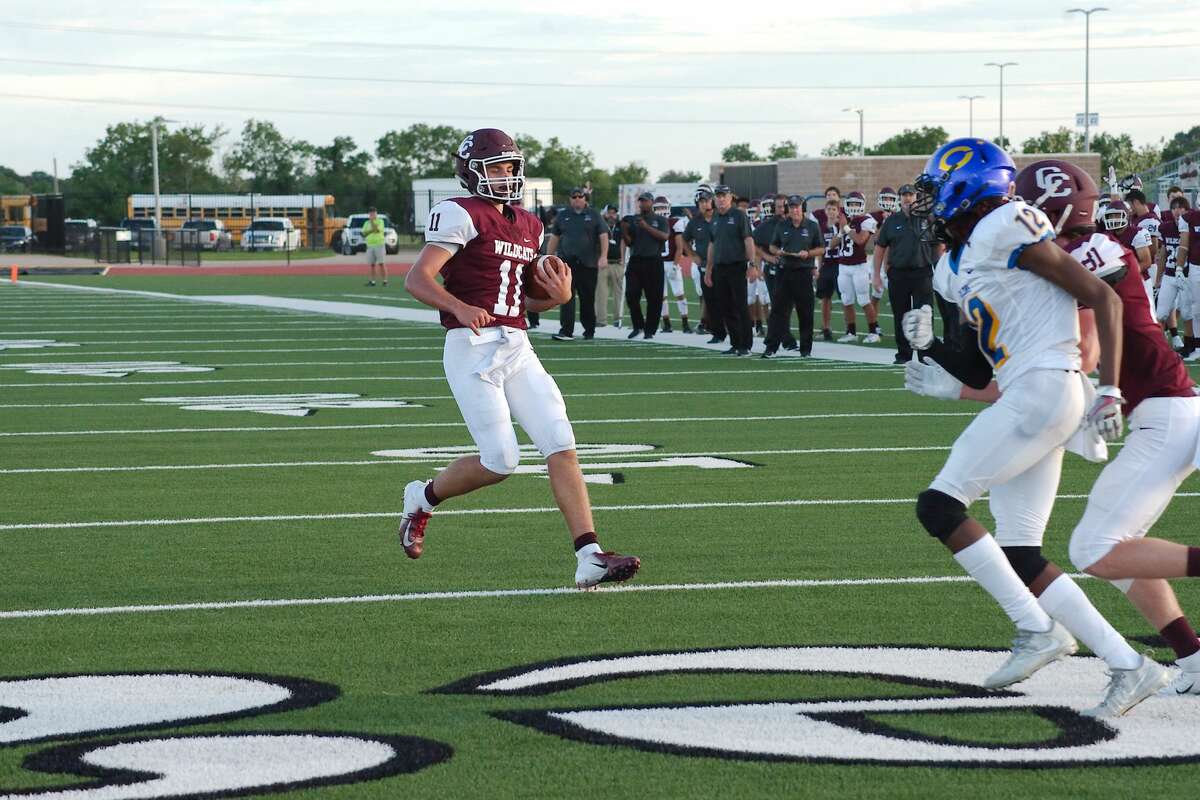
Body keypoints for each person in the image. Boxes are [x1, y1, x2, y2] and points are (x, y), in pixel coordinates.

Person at [901, 139, 1134, 703]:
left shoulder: (1008, 222)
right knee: (1022, 552)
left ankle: (1035, 630)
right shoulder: (956, 261)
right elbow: (981, 360)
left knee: (939, 505)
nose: (927, 203)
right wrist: (934, 350)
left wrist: (1111, 390)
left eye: (935, 189)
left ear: (969, 185)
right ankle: (1130, 664)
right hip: (1032, 390)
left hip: (1046, 387)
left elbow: (1104, 298)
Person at [399, 128, 640, 590]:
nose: (507, 175)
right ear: (473, 173)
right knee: (501, 461)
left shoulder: (529, 224)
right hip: (471, 348)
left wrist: (558, 298)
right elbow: (417, 278)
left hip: (516, 344)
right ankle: (422, 498)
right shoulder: (459, 213)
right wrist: (457, 305)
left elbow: (521, 299)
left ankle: (589, 555)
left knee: (560, 440)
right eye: (497, 167)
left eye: (512, 166)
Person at [874, 184, 936, 363]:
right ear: (899, 199)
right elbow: (880, 247)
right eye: (904, 195)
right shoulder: (892, 221)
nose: (907, 198)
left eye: (910, 195)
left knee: (923, 316)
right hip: (898, 274)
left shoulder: (927, 218)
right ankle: (903, 354)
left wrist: (939, 269)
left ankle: (926, 355)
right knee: (901, 315)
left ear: (916, 197)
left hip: (922, 272)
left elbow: (938, 244)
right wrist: (876, 275)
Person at [764, 195, 823, 357]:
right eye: (791, 207)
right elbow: (772, 246)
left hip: (804, 272)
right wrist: (778, 252)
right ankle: (771, 347)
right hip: (784, 271)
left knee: (805, 313)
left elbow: (821, 249)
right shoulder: (782, 225)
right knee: (778, 311)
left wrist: (808, 253)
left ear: (802, 208)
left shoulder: (812, 226)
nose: (794, 210)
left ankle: (805, 349)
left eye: (797, 207)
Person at [548, 187, 608, 341]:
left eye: (579, 196)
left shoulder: (594, 215)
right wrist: (549, 257)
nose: (576, 199)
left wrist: (603, 256)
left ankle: (589, 330)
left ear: (585, 198)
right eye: (573, 197)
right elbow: (555, 237)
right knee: (566, 297)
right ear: (570, 199)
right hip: (567, 264)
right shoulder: (563, 216)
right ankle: (566, 331)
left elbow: (603, 236)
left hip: (588, 263)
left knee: (587, 298)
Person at [705, 184, 755, 355]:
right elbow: (712, 244)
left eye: (723, 196)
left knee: (740, 305)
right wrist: (709, 269)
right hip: (720, 267)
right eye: (717, 196)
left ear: (730, 197)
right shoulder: (715, 218)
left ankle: (745, 344)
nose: (720, 199)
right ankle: (735, 342)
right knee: (725, 307)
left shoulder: (739, 216)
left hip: (737, 265)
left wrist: (752, 264)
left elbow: (748, 240)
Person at [833, 191, 881, 343]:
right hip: (843, 266)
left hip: (859, 266)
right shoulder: (843, 220)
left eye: (856, 203)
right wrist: (841, 232)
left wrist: (846, 228)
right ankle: (851, 332)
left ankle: (874, 332)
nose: (853, 206)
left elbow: (860, 240)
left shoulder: (866, 220)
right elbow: (831, 245)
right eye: (851, 203)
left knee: (864, 300)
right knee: (846, 300)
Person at [623, 191, 670, 340]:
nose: (643, 204)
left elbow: (664, 237)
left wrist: (646, 227)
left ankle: (650, 330)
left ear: (652, 203)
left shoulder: (659, 220)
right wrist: (624, 230)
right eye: (641, 201)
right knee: (631, 294)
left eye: (646, 201)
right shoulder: (634, 220)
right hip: (636, 260)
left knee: (654, 298)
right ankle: (638, 325)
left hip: (653, 260)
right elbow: (630, 242)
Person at [683, 184, 722, 341]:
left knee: (727, 298)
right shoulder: (695, 222)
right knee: (710, 299)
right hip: (705, 266)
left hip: (723, 263)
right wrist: (692, 256)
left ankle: (732, 330)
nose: (705, 204)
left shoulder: (722, 217)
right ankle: (717, 332)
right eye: (701, 202)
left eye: (707, 201)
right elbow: (684, 240)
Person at [1153, 192, 1188, 350]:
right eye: (1174, 208)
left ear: (1187, 211)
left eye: (1181, 208)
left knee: (1189, 313)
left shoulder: (1191, 229)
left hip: (1187, 276)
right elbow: (1163, 254)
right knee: (1161, 313)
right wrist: (1158, 278)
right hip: (1169, 274)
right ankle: (1160, 347)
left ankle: (1191, 346)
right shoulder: (1166, 228)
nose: (1177, 211)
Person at [655, 196, 692, 333]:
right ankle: (667, 324)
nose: (661, 210)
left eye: (663, 207)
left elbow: (679, 247)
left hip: (671, 263)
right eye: (658, 208)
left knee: (679, 294)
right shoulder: (652, 223)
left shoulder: (675, 222)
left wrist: (676, 264)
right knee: (661, 295)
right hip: (658, 263)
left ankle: (685, 324)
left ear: (669, 208)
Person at [812, 187, 842, 341]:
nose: (831, 211)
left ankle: (851, 329)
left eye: (833, 209)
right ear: (825, 211)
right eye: (828, 209)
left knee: (846, 298)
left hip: (841, 264)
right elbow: (820, 249)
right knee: (825, 297)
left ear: (838, 210)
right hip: (827, 265)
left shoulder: (843, 224)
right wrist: (818, 267)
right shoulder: (821, 227)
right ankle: (826, 328)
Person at [594, 204, 625, 328]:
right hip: (603, 263)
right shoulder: (600, 225)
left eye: (614, 213)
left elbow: (625, 242)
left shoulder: (621, 226)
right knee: (601, 293)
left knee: (619, 293)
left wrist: (623, 258)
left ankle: (618, 319)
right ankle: (601, 320)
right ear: (604, 213)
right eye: (609, 213)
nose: (611, 215)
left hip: (617, 263)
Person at [362, 208, 388, 287]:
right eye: (370, 213)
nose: (372, 215)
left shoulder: (380, 221)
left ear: (376, 213)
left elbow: (377, 230)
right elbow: (364, 233)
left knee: (381, 263)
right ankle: (372, 281)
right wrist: (371, 230)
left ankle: (385, 281)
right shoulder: (366, 223)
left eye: (373, 213)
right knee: (372, 264)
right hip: (370, 245)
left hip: (379, 244)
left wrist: (373, 222)